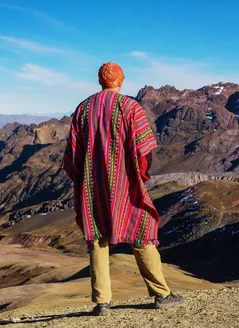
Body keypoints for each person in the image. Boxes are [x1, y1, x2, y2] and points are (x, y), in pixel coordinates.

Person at [62, 62, 183, 316]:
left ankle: (102, 302)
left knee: (97, 238)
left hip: (92, 187)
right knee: (143, 230)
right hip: (126, 186)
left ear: (99, 81)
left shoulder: (83, 109)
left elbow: (73, 155)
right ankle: (161, 294)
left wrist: (80, 179)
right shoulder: (130, 107)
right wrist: (141, 175)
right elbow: (144, 149)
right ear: (121, 81)